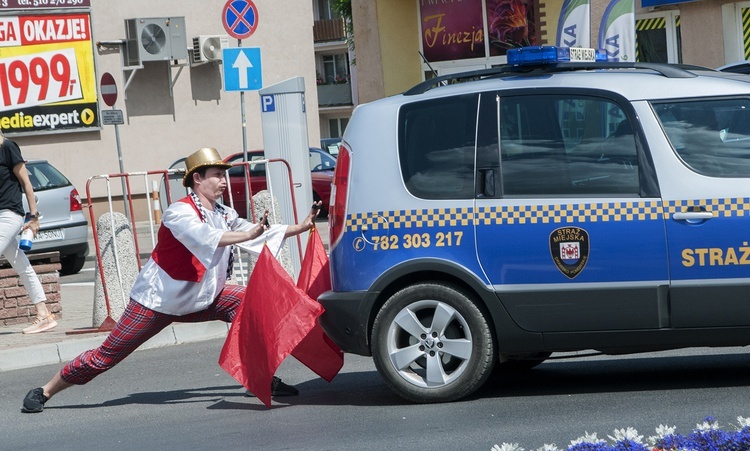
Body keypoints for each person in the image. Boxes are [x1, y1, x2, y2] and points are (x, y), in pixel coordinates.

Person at [21, 147, 321, 413]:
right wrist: (246, 234)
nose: (224, 181)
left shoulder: (222, 212)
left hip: (203, 298)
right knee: (105, 357)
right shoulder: (178, 213)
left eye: (224, 175)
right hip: (158, 301)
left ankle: (263, 377)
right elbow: (206, 238)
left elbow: (255, 231)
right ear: (197, 180)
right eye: (217, 175)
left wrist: (300, 226)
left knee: (247, 301)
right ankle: (45, 390)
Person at [0, 131, 57, 334]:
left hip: (9, 215)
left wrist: (33, 216)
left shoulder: (7, 147)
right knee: (22, 266)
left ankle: (44, 315)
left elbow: (26, 183)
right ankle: (44, 315)